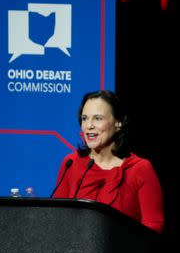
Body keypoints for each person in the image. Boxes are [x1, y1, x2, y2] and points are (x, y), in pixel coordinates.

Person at [52, 90, 164, 233]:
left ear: (118, 123)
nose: (89, 125)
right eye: (85, 118)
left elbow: (153, 227)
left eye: (97, 118)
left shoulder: (140, 169)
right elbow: (57, 219)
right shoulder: (70, 164)